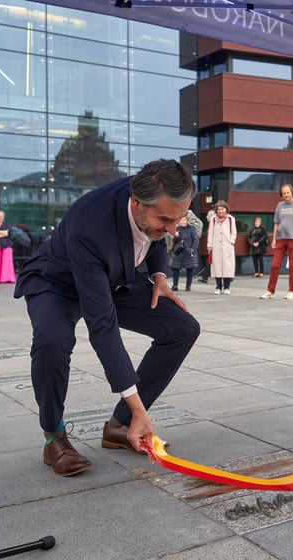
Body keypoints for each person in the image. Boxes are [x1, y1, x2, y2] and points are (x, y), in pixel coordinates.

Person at [14, 159, 200, 477]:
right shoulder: (90, 223)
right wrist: (138, 405)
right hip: (57, 282)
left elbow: (153, 236)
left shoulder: (153, 189)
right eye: (166, 219)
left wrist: (158, 274)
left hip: (112, 277)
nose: (173, 229)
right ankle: (53, 436)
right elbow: (103, 327)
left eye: (179, 219)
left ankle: (120, 426)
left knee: (182, 327)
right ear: (136, 203)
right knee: (53, 341)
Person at [260, 184, 293, 300]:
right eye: (284, 193)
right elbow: (276, 223)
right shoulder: (280, 205)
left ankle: (291, 290)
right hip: (281, 239)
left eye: (288, 192)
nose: (286, 195)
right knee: (275, 265)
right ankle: (270, 290)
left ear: (292, 192)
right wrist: (274, 238)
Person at [207, 200, 237, 295]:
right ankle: (218, 287)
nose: (220, 211)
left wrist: (231, 242)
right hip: (216, 246)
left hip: (227, 246)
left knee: (227, 267)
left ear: (226, 209)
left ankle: (227, 287)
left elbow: (234, 232)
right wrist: (210, 245)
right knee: (217, 267)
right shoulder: (213, 219)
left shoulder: (230, 219)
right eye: (219, 209)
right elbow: (210, 232)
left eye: (222, 209)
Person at [171, 215, 199, 292]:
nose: (183, 222)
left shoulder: (192, 229)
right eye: (181, 220)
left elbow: (196, 240)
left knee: (189, 269)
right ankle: (175, 285)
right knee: (175, 269)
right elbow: (174, 242)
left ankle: (188, 286)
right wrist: (176, 236)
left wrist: (192, 249)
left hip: (188, 251)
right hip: (179, 252)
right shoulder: (177, 229)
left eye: (184, 220)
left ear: (187, 221)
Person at [0, 211, 17, 283]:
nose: (0, 217)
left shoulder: (8, 225)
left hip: (7, 246)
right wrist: (4, 232)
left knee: (7, 263)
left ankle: (7, 278)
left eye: (1, 216)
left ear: (4, 217)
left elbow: (8, 233)